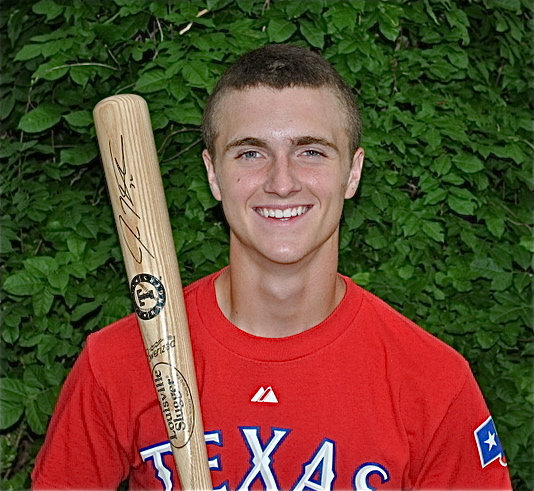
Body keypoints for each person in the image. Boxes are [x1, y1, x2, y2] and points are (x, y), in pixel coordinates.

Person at [32, 44, 511, 490]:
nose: (282, 183)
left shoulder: (432, 382)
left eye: (310, 152)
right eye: (251, 153)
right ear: (213, 174)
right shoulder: (117, 363)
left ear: (354, 171)